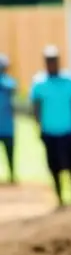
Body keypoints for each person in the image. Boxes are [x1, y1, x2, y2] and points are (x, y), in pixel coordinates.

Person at [31, 45, 71, 206]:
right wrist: (39, 127)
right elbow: (36, 108)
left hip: (69, 130)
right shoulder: (39, 83)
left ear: (58, 61)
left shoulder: (70, 81)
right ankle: (60, 198)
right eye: (48, 60)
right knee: (54, 165)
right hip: (50, 131)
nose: (51, 63)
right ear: (44, 62)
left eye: (54, 60)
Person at [0, 54, 15, 183]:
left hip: (7, 127)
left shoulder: (8, 82)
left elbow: (10, 88)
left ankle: (12, 175)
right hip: (5, 126)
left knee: (10, 153)